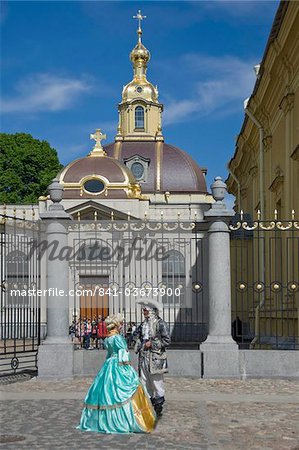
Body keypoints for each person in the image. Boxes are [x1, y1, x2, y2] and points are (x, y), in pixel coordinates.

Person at [77, 314, 156, 434]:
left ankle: (104, 420)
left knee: (106, 392)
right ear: (117, 324)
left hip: (109, 365)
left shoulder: (108, 338)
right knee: (127, 389)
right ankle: (124, 421)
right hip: (119, 364)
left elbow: (109, 354)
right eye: (121, 323)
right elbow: (123, 352)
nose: (122, 325)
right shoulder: (118, 338)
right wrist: (127, 368)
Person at [135, 300, 170, 417]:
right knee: (144, 382)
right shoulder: (143, 324)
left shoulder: (161, 324)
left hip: (155, 358)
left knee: (156, 383)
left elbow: (166, 341)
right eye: (143, 310)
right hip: (144, 357)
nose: (143, 312)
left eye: (145, 310)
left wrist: (153, 344)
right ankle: (148, 407)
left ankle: (158, 407)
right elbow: (136, 336)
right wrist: (138, 342)